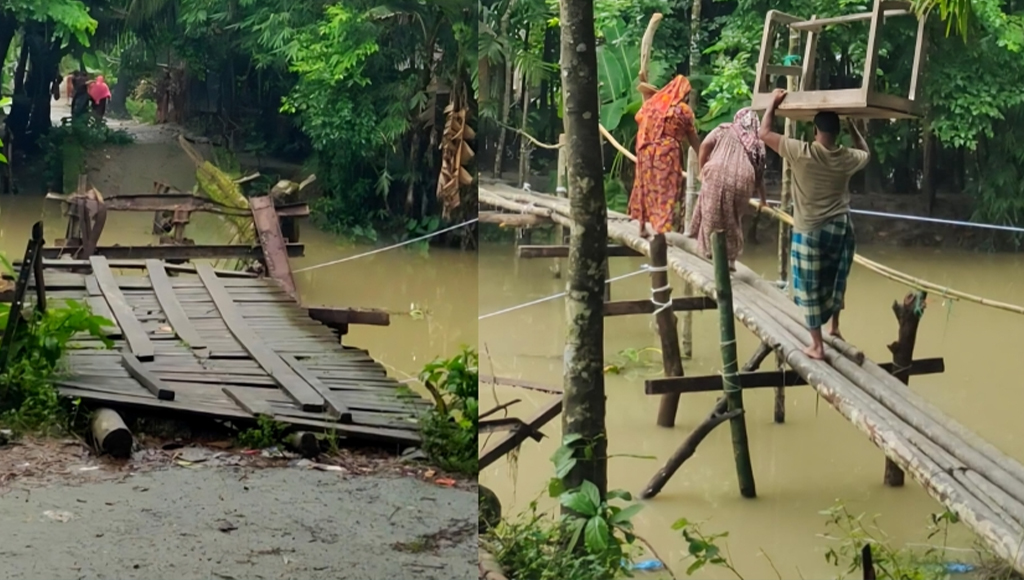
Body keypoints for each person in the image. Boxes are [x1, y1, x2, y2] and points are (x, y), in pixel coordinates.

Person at [757, 89, 870, 360]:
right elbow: (866, 153)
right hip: (841, 227)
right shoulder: (847, 157)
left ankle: (817, 345)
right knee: (835, 278)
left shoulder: (801, 152)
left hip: (810, 230)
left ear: (815, 130)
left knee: (809, 285)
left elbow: (764, 133)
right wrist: (853, 127)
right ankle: (835, 327)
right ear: (837, 133)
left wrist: (772, 104)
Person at [687, 107, 767, 270]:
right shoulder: (758, 143)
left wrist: (702, 170)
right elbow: (759, 175)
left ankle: (706, 250)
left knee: (709, 209)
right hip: (743, 181)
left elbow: (705, 145)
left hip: (716, 172)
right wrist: (763, 200)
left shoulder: (724, 129)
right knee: (733, 218)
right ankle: (730, 259)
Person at [628, 75, 701, 237]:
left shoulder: (652, 104)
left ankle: (642, 226)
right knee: (666, 189)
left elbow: (639, 117)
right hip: (666, 155)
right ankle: (660, 231)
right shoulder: (683, 110)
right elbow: (693, 139)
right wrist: (703, 159)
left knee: (645, 187)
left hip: (645, 151)